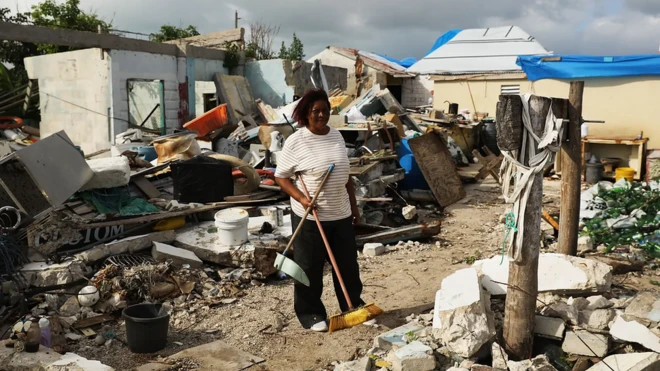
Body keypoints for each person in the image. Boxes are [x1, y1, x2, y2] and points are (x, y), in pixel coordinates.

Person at [275, 89, 368, 332]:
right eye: (316, 111)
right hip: (310, 217)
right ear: (306, 114)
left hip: (340, 213)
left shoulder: (336, 135)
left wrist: (354, 204)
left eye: (325, 110)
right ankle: (311, 314)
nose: (321, 115)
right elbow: (281, 177)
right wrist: (302, 198)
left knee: (348, 265)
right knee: (309, 267)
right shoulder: (296, 141)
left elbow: (344, 175)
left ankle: (352, 305)